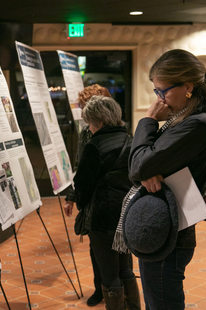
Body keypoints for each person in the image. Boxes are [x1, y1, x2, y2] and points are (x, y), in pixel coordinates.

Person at [127, 49, 206, 309]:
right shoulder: (181, 119)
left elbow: (137, 167)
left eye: (163, 91)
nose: (159, 100)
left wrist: (146, 121)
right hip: (163, 225)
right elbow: (137, 162)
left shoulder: (197, 124)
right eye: (156, 92)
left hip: (170, 232)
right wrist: (147, 167)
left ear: (188, 87)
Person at [73, 95, 140, 310]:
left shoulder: (94, 146)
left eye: (90, 123)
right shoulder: (130, 140)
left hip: (102, 218)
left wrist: (81, 204)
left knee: (109, 274)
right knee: (126, 269)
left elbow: (82, 184)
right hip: (127, 213)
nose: (89, 128)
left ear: (99, 122)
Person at [64, 84, 112, 307]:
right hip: (93, 200)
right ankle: (100, 289)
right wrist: (73, 197)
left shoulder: (120, 131)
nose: (83, 114)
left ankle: (114, 290)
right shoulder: (86, 132)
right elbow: (80, 167)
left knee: (117, 249)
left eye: (86, 108)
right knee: (97, 248)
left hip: (113, 197)